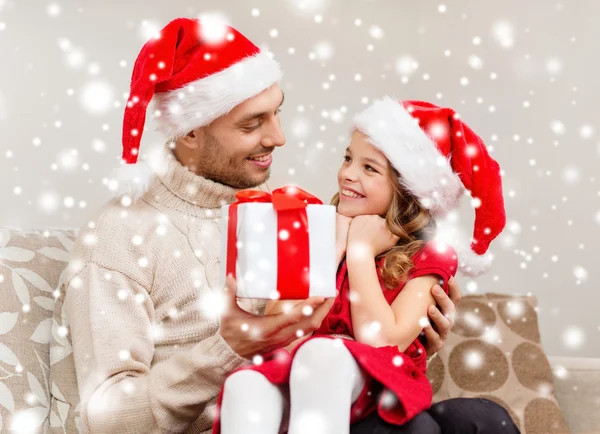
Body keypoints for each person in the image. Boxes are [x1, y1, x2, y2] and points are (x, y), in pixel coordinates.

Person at [58, 17, 515, 434]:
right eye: (253, 123)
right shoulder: (120, 237)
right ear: (191, 130)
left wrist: (407, 345)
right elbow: (106, 420)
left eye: (277, 112)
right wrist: (228, 348)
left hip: (311, 407)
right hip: (240, 416)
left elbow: (337, 343)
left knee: (482, 421)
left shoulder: (299, 212)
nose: (278, 137)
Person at [215, 97, 517, 434]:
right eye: (348, 159)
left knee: (323, 354)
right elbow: (280, 336)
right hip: (303, 382)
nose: (347, 174)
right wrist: (332, 250)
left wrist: (359, 252)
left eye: (369, 168)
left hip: (375, 390)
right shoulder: (316, 231)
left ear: (407, 188)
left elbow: (381, 342)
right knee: (245, 385)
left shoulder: (430, 255)